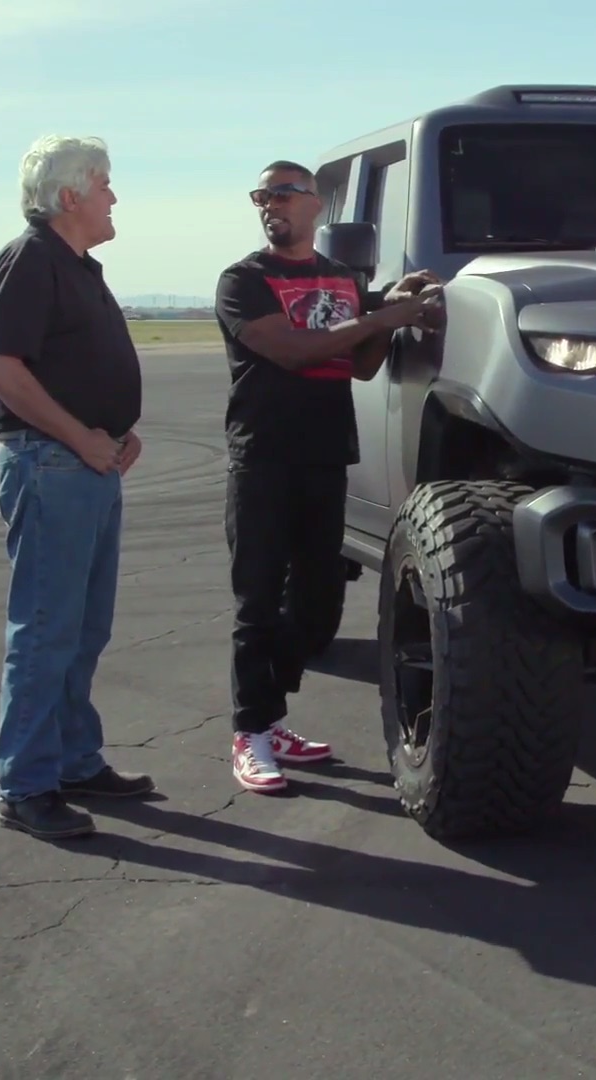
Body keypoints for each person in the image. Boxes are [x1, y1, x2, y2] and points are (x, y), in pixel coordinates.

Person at [214, 159, 443, 794]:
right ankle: (251, 731)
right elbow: (293, 351)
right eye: (262, 196)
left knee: (318, 606)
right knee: (258, 601)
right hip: (263, 458)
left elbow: (361, 364)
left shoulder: (342, 279)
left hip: (325, 456)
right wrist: (382, 316)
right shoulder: (244, 281)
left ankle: (270, 715)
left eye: (284, 193)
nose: (270, 204)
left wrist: (392, 306)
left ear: (316, 204)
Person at [0, 134, 154, 840]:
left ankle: (75, 759)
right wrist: (81, 437)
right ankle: (25, 785)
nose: (114, 197)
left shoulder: (78, 266)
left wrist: (116, 431)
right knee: (47, 629)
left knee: (84, 628)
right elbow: (3, 368)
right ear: (71, 194)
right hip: (54, 465)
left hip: (90, 464)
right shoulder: (31, 259)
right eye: (105, 183)